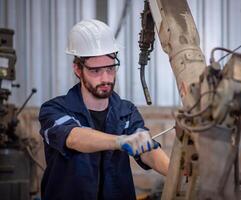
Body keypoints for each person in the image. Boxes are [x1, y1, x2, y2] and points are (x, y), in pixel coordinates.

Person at [39, 19, 169, 200]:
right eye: (95, 71)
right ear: (77, 69)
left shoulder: (126, 111)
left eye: (110, 68)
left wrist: (176, 172)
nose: (105, 78)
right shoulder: (54, 109)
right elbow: (74, 138)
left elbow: (146, 149)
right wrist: (121, 141)